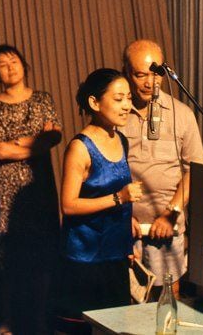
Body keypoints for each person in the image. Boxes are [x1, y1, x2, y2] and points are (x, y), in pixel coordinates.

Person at [0, 44, 62, 334]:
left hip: (39, 187)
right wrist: (33, 142)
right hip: (6, 189)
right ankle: (8, 322)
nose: (10, 67)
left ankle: (39, 320)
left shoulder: (42, 99)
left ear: (24, 64)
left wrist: (19, 143)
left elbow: (52, 137)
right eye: (2, 64)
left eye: (14, 61)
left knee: (41, 255)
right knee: (7, 257)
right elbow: (0, 152)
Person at [118, 39, 203, 300]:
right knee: (128, 301)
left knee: (167, 296)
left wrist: (171, 213)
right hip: (126, 226)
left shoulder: (182, 114)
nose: (149, 82)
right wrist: (122, 215)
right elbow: (103, 169)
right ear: (126, 73)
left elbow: (195, 170)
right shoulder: (115, 113)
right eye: (140, 74)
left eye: (156, 73)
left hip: (167, 225)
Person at [57, 68, 143, 333]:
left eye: (128, 98)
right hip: (85, 258)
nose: (127, 105)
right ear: (95, 102)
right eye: (118, 99)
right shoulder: (80, 147)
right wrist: (120, 198)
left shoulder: (121, 140)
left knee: (116, 327)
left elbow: (115, 196)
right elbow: (68, 205)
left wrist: (129, 223)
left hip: (115, 255)